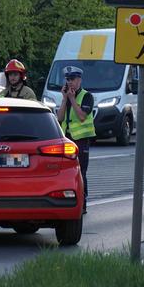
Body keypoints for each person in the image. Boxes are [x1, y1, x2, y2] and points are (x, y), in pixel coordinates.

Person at [56, 66, 95, 213]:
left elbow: (82, 116)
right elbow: (59, 118)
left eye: (72, 79)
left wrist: (72, 99)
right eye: (67, 79)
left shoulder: (87, 96)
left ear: (79, 80)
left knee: (81, 172)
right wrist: (65, 99)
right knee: (65, 172)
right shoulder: (67, 96)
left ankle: (82, 203)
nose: (70, 82)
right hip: (66, 139)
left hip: (81, 140)